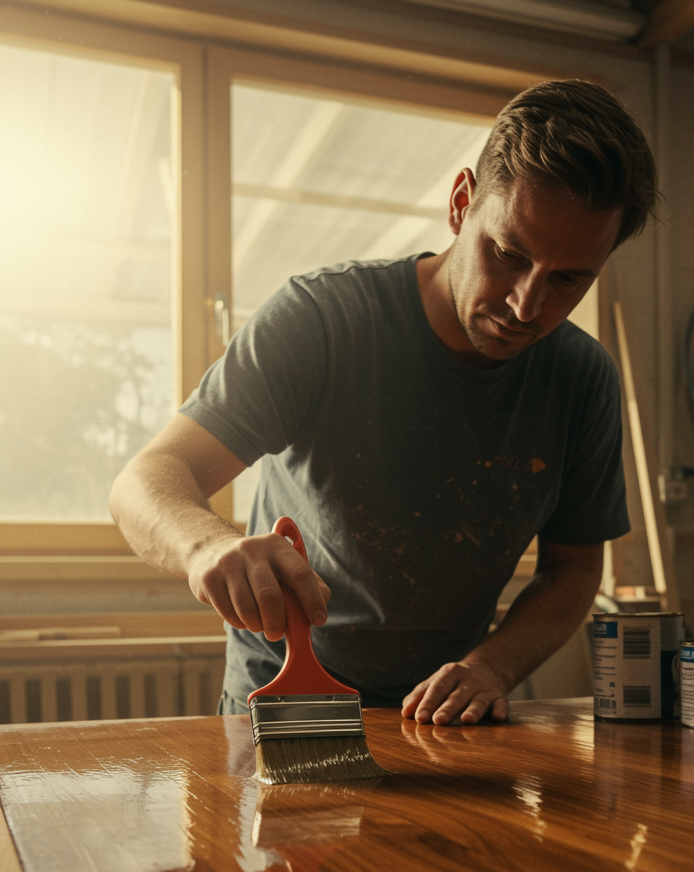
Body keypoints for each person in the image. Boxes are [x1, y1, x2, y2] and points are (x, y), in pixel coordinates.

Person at [110, 79, 657, 726]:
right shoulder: (322, 321)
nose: (526, 304)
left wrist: (492, 666)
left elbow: (572, 572)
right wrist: (205, 546)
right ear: (461, 205)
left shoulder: (582, 379)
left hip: (448, 712)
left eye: (569, 279)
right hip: (288, 696)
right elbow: (147, 479)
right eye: (507, 255)